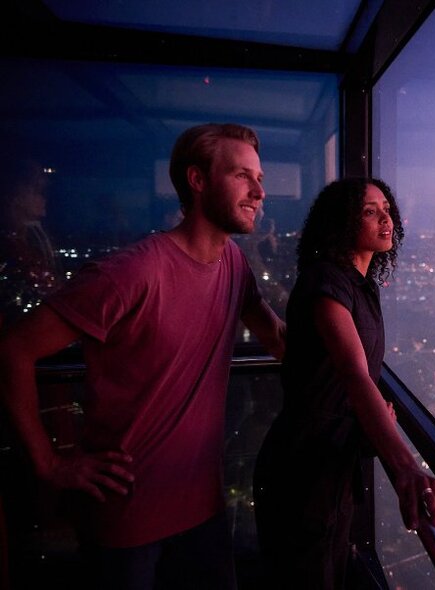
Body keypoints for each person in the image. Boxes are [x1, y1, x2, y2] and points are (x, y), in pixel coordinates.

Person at [0, 123, 285, 589]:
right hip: (127, 520)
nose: (259, 191)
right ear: (197, 181)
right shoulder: (134, 272)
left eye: (260, 178)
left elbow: (277, 337)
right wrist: (49, 464)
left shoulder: (233, 263)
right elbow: (14, 349)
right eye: (242, 175)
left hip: (203, 508)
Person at [253, 178, 435, 588]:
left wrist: (369, 415)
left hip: (332, 463)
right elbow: (355, 373)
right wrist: (406, 466)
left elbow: (353, 377)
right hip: (304, 469)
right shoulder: (327, 283)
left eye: (386, 209)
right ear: (342, 223)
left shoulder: (359, 285)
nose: (385, 219)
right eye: (369, 212)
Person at [0, 156, 59, 328]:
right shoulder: (10, 249)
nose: (44, 198)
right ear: (16, 197)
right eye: (38, 190)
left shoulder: (32, 242)